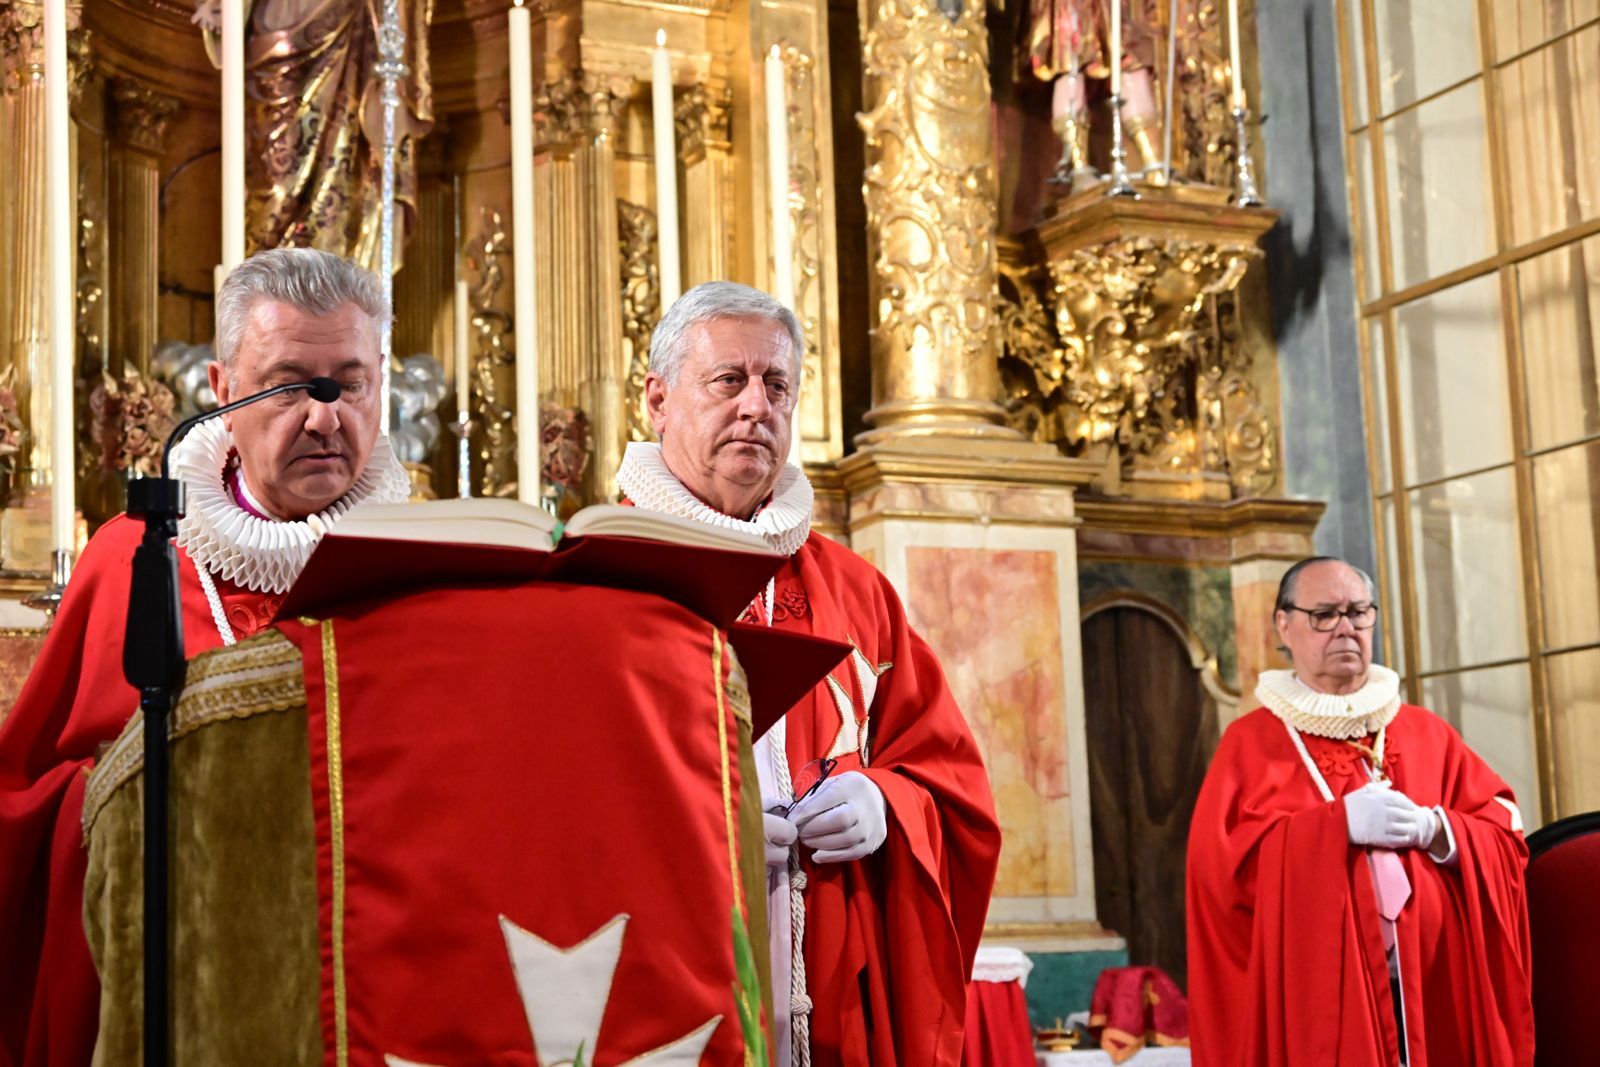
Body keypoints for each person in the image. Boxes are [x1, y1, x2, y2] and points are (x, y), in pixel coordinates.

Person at [0, 248, 411, 1066]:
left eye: (350, 384)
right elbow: (29, 803)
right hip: (188, 968)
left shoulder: (429, 562)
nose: (326, 418)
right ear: (223, 391)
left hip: (379, 969)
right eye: (291, 383)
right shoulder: (136, 558)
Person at [616, 281, 1000, 1067]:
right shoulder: (599, 574)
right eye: (729, 380)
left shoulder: (855, 591)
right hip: (665, 980)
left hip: (835, 982)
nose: (757, 405)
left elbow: (951, 781)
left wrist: (884, 800)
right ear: (658, 399)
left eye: (777, 384)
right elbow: (545, 804)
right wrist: (693, 833)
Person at [1185, 556, 1535, 1067]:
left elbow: (1504, 833)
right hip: (1324, 1002)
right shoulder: (1250, 744)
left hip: (1433, 990)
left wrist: (1436, 829)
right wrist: (1333, 829)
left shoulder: (1425, 732)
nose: (1346, 628)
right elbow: (1221, 873)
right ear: (1284, 624)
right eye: (1325, 614)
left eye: (1359, 612)